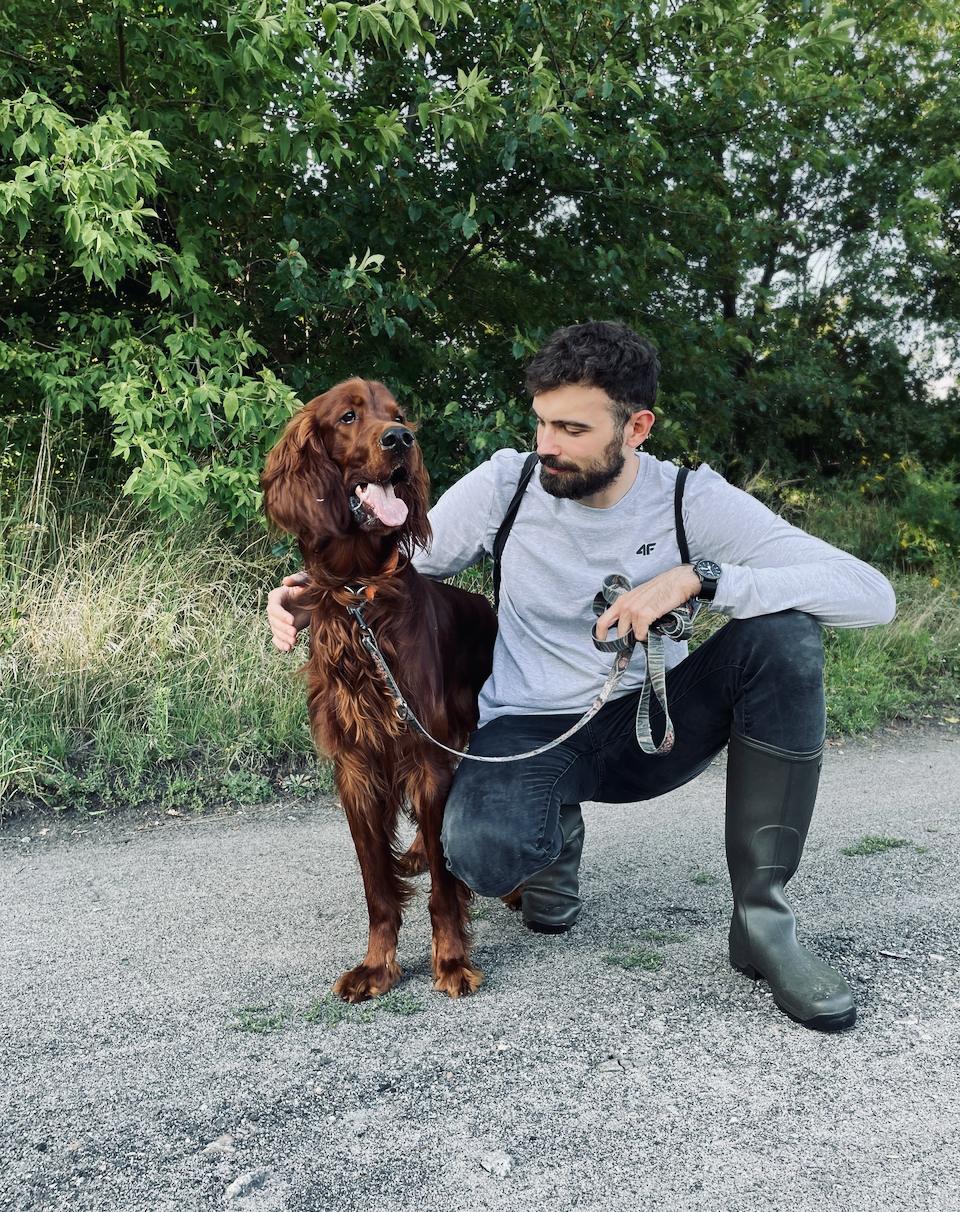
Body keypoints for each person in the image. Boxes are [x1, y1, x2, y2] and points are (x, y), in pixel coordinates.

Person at [267, 322, 895, 1031]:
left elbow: (871, 593)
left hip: (652, 725)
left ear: (637, 428)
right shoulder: (509, 484)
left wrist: (701, 579)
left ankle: (763, 922)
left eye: (571, 427)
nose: (547, 446)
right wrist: (295, 590)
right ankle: (550, 838)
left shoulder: (689, 498)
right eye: (541, 421)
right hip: (533, 732)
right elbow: (389, 560)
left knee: (784, 634)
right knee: (478, 849)